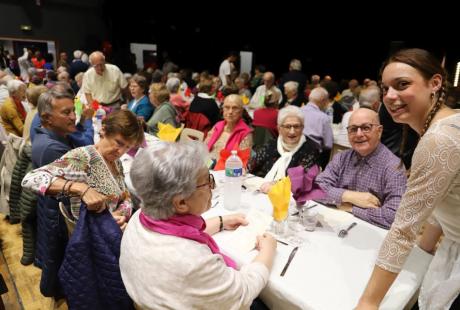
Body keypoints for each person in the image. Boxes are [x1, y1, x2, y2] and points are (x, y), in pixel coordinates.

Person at [357, 49, 460, 309]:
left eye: (402, 85)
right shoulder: (446, 126)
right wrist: (421, 256)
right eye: (386, 88)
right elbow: (443, 202)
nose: (390, 96)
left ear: (435, 83)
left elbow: (403, 230)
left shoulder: (440, 139)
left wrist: (368, 304)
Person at [120, 141, 276, 309]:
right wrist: (268, 250)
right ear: (181, 203)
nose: (212, 187)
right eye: (207, 181)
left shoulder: (140, 218)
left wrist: (221, 222)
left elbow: (178, 233)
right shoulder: (192, 261)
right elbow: (243, 291)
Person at [23, 109, 144, 224]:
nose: (121, 152)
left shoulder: (116, 162)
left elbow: (125, 196)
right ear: (103, 130)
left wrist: (119, 216)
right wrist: (79, 188)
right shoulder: (83, 158)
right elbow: (31, 179)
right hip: (90, 238)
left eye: (127, 147)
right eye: (119, 143)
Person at [315, 108, 407, 229]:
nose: (358, 134)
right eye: (353, 129)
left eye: (366, 128)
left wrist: (351, 208)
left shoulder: (394, 167)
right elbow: (316, 189)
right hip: (337, 226)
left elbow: (393, 217)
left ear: (379, 131)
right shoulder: (341, 158)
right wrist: (349, 196)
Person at [249, 105, 319, 193]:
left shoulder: (310, 149)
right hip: (260, 191)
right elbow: (251, 165)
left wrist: (275, 185)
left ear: (302, 128)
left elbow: (302, 181)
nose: (292, 131)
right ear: (279, 128)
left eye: (296, 126)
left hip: (288, 197)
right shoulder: (272, 144)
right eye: (288, 127)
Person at [205, 94, 253, 161]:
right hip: (208, 164)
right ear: (223, 109)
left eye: (235, 108)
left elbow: (243, 162)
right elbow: (204, 148)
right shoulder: (217, 126)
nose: (230, 112)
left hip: (226, 169)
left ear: (241, 111)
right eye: (227, 107)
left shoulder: (245, 134)